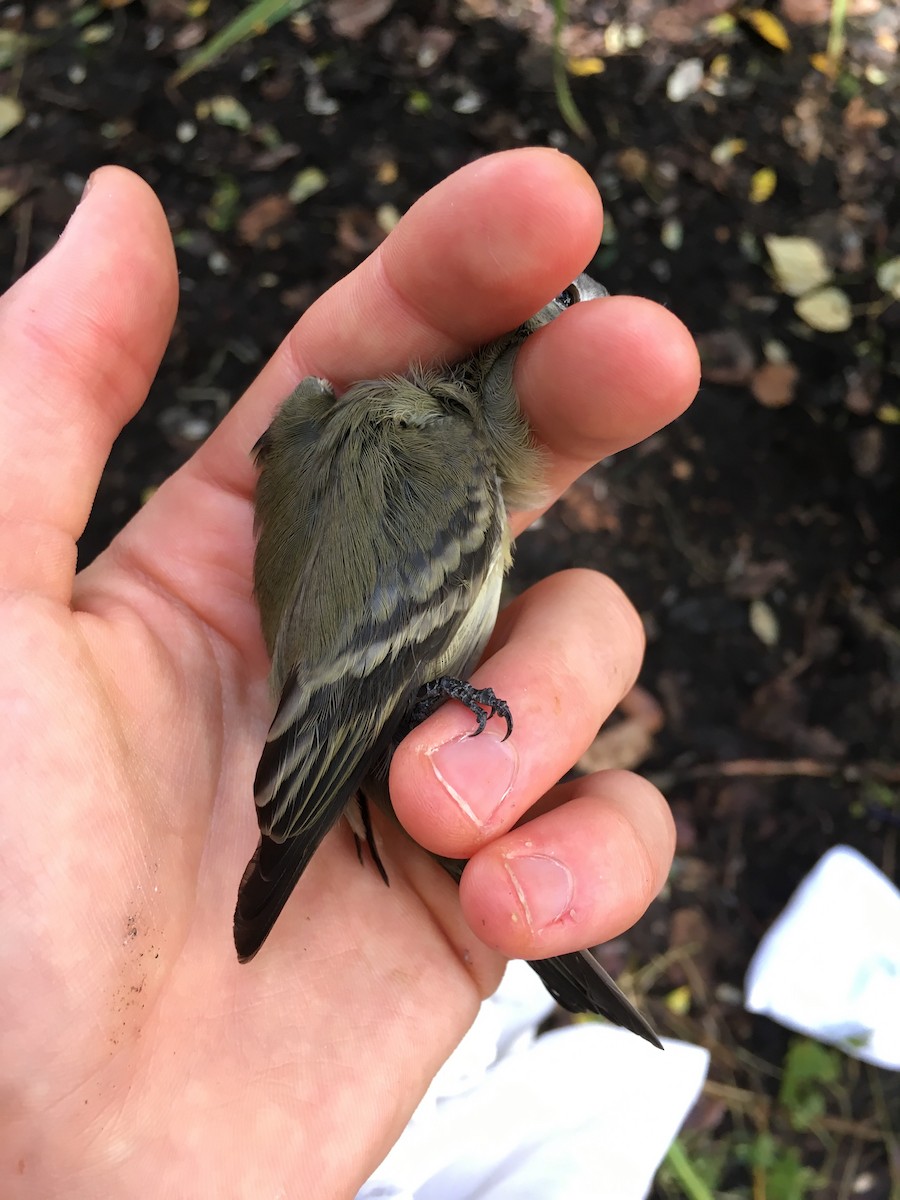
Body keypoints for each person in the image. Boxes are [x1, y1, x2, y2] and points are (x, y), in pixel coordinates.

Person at [0, 148, 699, 1196]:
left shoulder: (327, 423)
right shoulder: (451, 469)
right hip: (336, 744)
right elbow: (359, 680)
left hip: (324, 742)